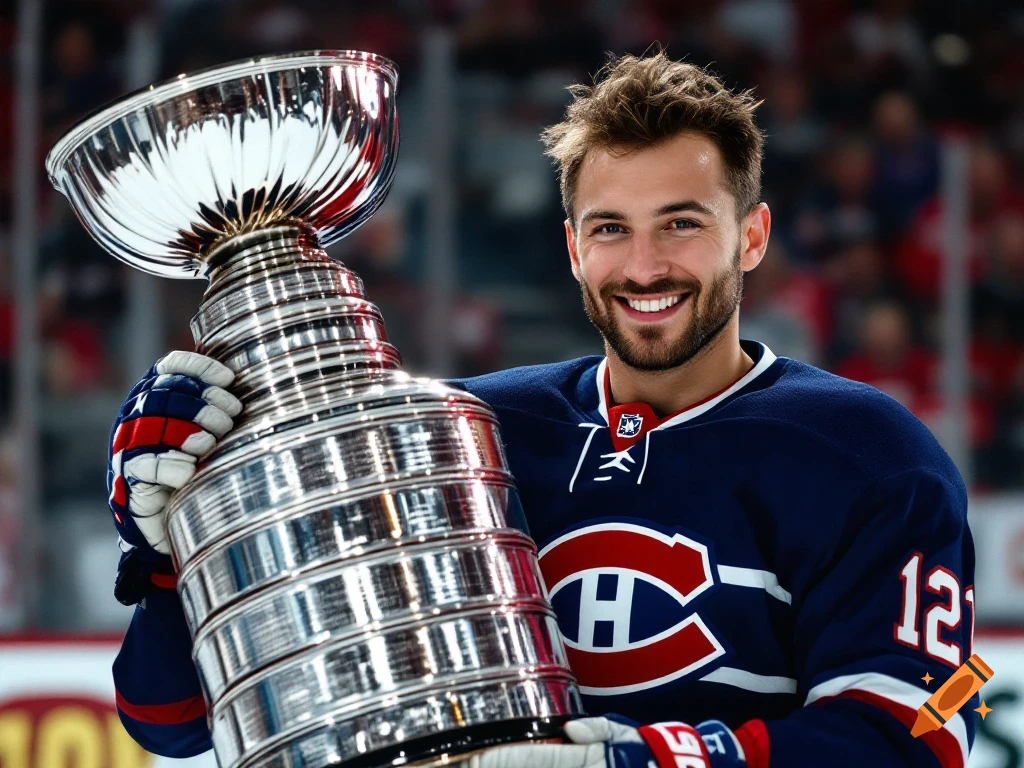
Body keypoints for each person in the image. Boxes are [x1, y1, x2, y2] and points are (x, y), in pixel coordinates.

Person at [106, 52, 976, 768]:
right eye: (610, 229)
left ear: (749, 236)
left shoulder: (863, 452)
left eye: (680, 224)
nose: (643, 266)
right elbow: (177, 723)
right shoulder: (460, 432)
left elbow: (909, 740)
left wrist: (634, 763)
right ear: (570, 247)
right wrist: (179, 544)